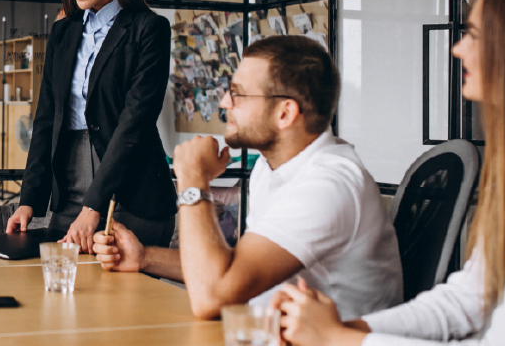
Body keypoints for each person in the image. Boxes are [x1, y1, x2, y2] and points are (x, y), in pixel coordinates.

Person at [270, 0, 505, 346]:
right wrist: (346, 329)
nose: (457, 48)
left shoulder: (332, 177)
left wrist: (337, 338)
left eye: (474, 35)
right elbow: (465, 302)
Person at [92, 35, 403, 320]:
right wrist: (144, 257)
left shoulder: (327, 185)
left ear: (285, 113)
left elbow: (211, 298)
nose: (225, 104)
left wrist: (193, 180)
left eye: (238, 94)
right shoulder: (272, 167)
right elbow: (234, 270)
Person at [5, 0, 177, 252]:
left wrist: (93, 205)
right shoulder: (63, 32)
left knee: (123, 301)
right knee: (61, 292)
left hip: (132, 192)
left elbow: (134, 123)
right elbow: (46, 119)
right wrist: (29, 199)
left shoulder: (149, 29)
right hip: (69, 187)